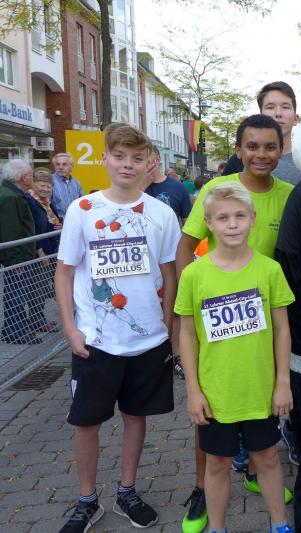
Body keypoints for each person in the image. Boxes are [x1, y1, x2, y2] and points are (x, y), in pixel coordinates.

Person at [55, 123, 181, 533]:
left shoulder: (161, 213)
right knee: (86, 423)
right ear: (105, 159)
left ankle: (127, 491)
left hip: (148, 341)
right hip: (96, 340)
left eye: (137, 158)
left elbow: (170, 273)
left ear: (149, 164)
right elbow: (64, 272)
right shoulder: (83, 209)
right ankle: (87, 500)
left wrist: (169, 328)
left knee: (135, 416)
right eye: (120, 156)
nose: (128, 164)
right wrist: (70, 328)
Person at [176, 114, 294, 533]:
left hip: (260, 377)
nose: (232, 224)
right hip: (217, 383)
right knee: (217, 461)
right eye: (252, 146)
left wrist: (283, 381)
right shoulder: (196, 273)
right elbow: (187, 330)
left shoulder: (270, 266)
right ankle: (215, 521)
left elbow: (282, 326)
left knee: (267, 457)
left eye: (270, 146)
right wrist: (192, 387)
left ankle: (279, 522)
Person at [222, 82, 301, 185]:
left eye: (285, 107)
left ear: (296, 119)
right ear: (260, 115)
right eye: (270, 107)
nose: (278, 113)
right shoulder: (241, 158)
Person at [0, 160, 39, 345]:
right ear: (23, 178)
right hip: (18, 257)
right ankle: (17, 331)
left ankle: (12, 329)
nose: (32, 178)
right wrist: (16, 261)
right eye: (31, 175)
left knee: (15, 292)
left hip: (18, 255)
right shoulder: (11, 197)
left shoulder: (11, 194)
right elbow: (11, 231)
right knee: (17, 294)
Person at [24, 169, 61, 334]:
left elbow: (51, 221)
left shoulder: (47, 202)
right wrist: (40, 252)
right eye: (42, 185)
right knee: (38, 289)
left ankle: (38, 319)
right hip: (41, 252)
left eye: (48, 186)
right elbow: (33, 230)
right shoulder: (31, 202)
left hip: (52, 250)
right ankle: (36, 321)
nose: (46, 189)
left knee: (48, 287)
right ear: (34, 184)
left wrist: (58, 225)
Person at [143, 146, 193, 223]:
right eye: (137, 159)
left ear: (157, 160)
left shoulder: (178, 187)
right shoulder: (131, 188)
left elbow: (187, 224)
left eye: (143, 158)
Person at [51, 152, 84, 219]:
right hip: (58, 222)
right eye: (58, 164)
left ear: (71, 167)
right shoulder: (50, 181)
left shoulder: (76, 183)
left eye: (64, 164)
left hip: (74, 220)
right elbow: (45, 205)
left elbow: (81, 203)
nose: (60, 167)